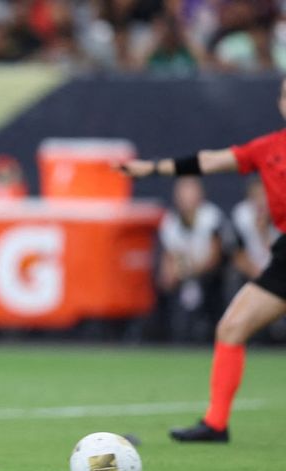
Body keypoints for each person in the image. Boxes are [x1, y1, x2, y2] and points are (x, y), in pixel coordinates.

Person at [117, 78, 286, 443]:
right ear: (280, 103)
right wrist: (153, 169)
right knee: (232, 327)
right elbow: (209, 160)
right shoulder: (268, 148)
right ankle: (216, 424)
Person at [157, 177, 227, 343]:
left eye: (190, 192)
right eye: (183, 193)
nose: (186, 198)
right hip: (185, 276)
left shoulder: (211, 216)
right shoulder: (170, 221)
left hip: (211, 277)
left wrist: (188, 271)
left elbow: (214, 258)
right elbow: (169, 257)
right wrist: (170, 275)